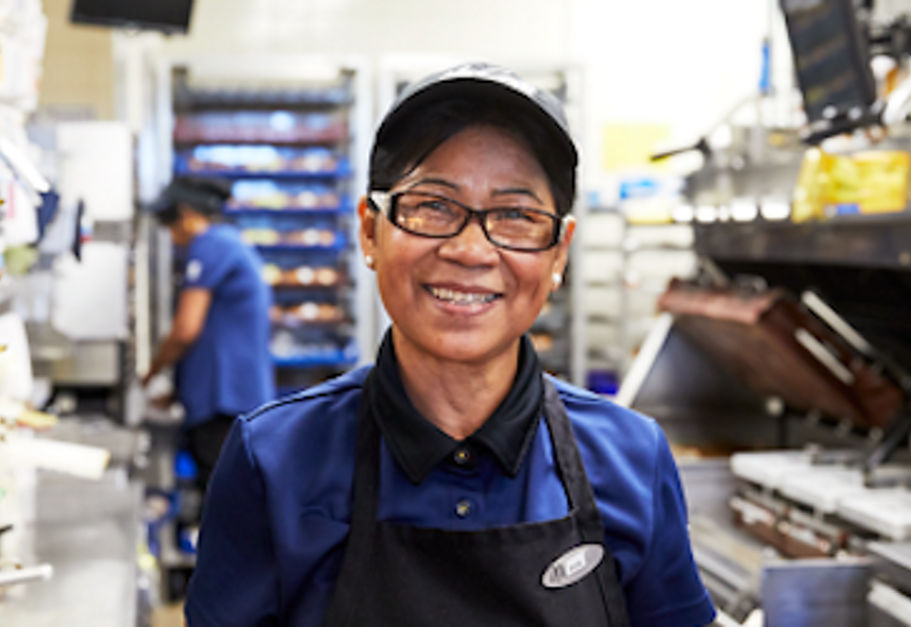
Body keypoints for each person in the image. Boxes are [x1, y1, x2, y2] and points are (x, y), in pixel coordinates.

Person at [185, 63, 716, 627]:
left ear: (558, 254)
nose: (470, 250)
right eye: (433, 206)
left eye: (515, 215)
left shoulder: (630, 457)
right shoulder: (272, 460)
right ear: (370, 231)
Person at [142, 176, 275, 494]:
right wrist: (177, 390)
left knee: (222, 499)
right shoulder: (229, 243)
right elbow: (217, 329)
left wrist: (149, 373)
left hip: (224, 401)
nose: (173, 239)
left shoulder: (211, 244)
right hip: (229, 397)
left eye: (170, 225)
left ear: (186, 214)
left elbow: (186, 330)